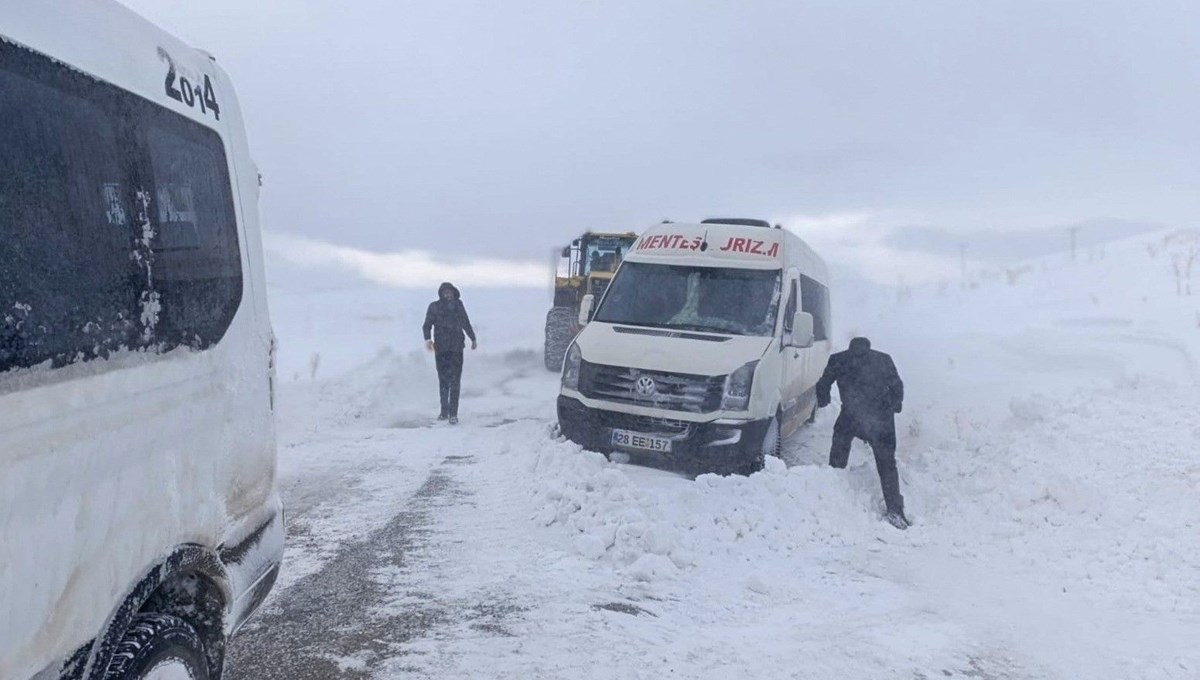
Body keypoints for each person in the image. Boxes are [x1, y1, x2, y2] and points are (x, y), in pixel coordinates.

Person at [816, 337, 909, 529]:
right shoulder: (883, 359)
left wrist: (823, 399)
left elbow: (823, 384)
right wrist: (894, 405)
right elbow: (897, 386)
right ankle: (894, 510)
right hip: (881, 419)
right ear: (869, 348)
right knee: (887, 464)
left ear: (851, 347)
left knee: (839, 447)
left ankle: (832, 491)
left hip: (851, 416)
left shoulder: (839, 359)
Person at [422, 282, 476, 424]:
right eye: (445, 292)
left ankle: (453, 414)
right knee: (443, 381)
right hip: (441, 349)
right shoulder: (434, 307)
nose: (448, 294)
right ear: (441, 293)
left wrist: (473, 338)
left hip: (457, 348)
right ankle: (444, 412)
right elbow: (427, 324)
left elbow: (465, 322)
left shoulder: (458, 306)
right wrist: (428, 339)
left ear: (453, 292)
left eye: (450, 292)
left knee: (455, 381)